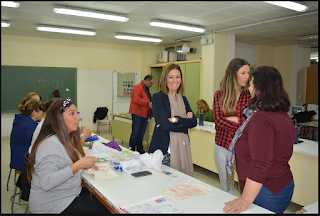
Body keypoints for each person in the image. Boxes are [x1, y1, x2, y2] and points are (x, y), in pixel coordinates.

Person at [223, 66, 295, 214]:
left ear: (260, 87)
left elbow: (261, 162)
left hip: (267, 189)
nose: (249, 88)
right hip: (279, 184)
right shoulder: (282, 114)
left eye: (251, 83)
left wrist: (244, 200)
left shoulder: (262, 118)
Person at [27, 98, 110, 214]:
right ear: (58, 119)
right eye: (72, 114)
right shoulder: (50, 144)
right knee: (106, 210)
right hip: (53, 205)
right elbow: (47, 182)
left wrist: (83, 165)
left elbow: (65, 162)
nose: (78, 117)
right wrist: (78, 165)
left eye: (77, 113)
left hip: (68, 194)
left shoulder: (64, 137)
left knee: (105, 201)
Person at [148, 63, 197, 177]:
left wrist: (176, 119)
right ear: (165, 80)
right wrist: (185, 121)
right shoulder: (158, 97)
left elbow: (193, 122)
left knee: (181, 185)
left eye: (177, 77)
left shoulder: (183, 99)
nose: (175, 80)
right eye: (171, 77)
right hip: (164, 152)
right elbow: (165, 124)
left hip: (183, 150)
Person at [213, 58, 251, 194]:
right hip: (222, 147)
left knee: (245, 187)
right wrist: (242, 121)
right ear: (233, 74)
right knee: (226, 187)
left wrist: (233, 119)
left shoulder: (249, 96)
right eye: (243, 73)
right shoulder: (220, 95)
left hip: (244, 148)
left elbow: (251, 123)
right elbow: (218, 121)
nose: (247, 77)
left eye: (248, 73)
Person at [10, 99, 43, 171]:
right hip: (24, 162)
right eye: (41, 111)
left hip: (17, 160)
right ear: (34, 112)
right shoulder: (31, 126)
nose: (41, 114)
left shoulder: (20, 121)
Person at [128, 74, 154, 154]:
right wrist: (148, 103)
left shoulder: (146, 89)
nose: (151, 85)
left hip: (145, 114)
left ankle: (140, 148)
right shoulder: (137, 87)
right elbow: (137, 99)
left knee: (142, 132)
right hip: (137, 114)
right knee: (135, 132)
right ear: (147, 81)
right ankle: (131, 149)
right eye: (151, 83)